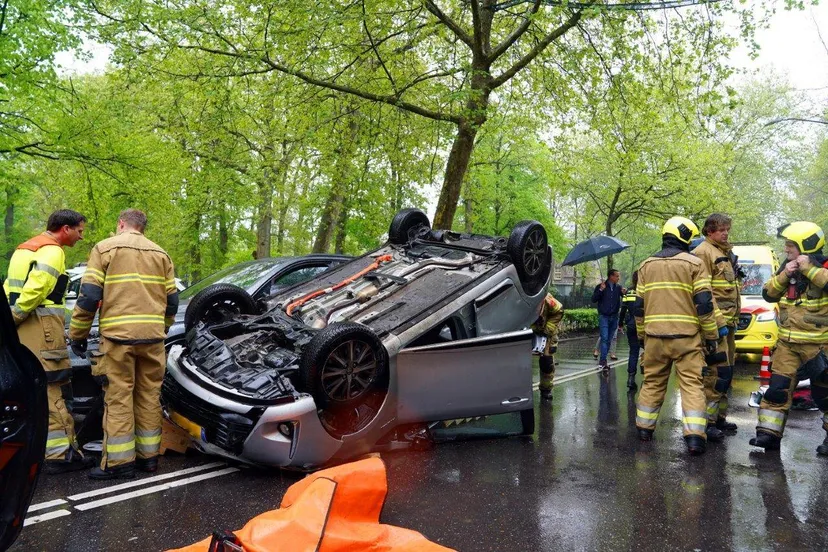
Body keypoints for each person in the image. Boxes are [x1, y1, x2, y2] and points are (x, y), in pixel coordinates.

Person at [69, 209, 179, 479]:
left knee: (118, 398)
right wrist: (161, 328)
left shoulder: (105, 249)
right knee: (149, 397)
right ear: (143, 227)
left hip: (118, 339)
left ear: (120, 224)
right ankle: (148, 459)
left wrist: (78, 334)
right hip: (153, 339)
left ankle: (119, 464)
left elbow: (88, 297)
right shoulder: (161, 254)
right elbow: (172, 301)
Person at [3, 209, 94, 473]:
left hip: (25, 333)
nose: (81, 236)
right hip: (40, 330)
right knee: (54, 389)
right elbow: (38, 287)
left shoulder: (24, 249)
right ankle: (61, 455)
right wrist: (17, 316)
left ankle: (43, 449)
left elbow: (11, 287)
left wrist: (10, 322)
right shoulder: (53, 251)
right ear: (65, 229)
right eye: (79, 230)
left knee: (35, 390)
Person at [634, 216, 721, 455]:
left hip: (654, 338)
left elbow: (638, 307)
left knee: (652, 383)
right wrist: (711, 336)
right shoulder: (694, 264)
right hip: (687, 340)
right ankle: (694, 438)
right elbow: (704, 304)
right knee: (692, 386)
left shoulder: (645, 266)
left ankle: (644, 429)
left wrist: (642, 336)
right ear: (684, 236)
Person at [750, 221, 828, 453]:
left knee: (825, 395)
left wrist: (808, 269)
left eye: (791, 245)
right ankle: (768, 435)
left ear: (806, 245)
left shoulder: (823, 266)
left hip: (820, 345)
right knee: (777, 389)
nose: (786, 249)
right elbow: (768, 294)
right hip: (787, 344)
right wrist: (786, 274)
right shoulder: (786, 267)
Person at [691, 214, 740, 440]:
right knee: (715, 373)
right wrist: (717, 323)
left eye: (727, 229)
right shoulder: (703, 252)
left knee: (726, 373)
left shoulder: (723, 253)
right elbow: (704, 292)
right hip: (716, 325)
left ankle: (719, 417)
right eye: (721, 229)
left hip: (729, 324)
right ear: (709, 231)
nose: (725, 233)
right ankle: (708, 422)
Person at [532, 293, 565, 401]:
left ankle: (546, 389)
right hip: (524, 332)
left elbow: (559, 311)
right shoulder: (516, 299)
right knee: (519, 364)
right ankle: (518, 392)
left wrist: (548, 329)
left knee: (547, 362)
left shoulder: (546, 299)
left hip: (546, 333)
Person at [592, 269, 624, 369]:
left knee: (609, 339)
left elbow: (625, 297)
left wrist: (624, 293)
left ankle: (603, 359)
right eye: (617, 276)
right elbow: (593, 299)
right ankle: (602, 361)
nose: (618, 278)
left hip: (614, 317)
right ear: (611, 276)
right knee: (604, 338)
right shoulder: (600, 286)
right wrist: (601, 290)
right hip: (604, 317)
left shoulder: (618, 288)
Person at [618, 271, 642, 391]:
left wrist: (620, 323)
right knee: (649, 351)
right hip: (644, 325)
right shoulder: (646, 290)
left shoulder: (629, 291)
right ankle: (647, 378)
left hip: (631, 325)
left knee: (633, 352)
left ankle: (630, 379)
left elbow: (623, 309)